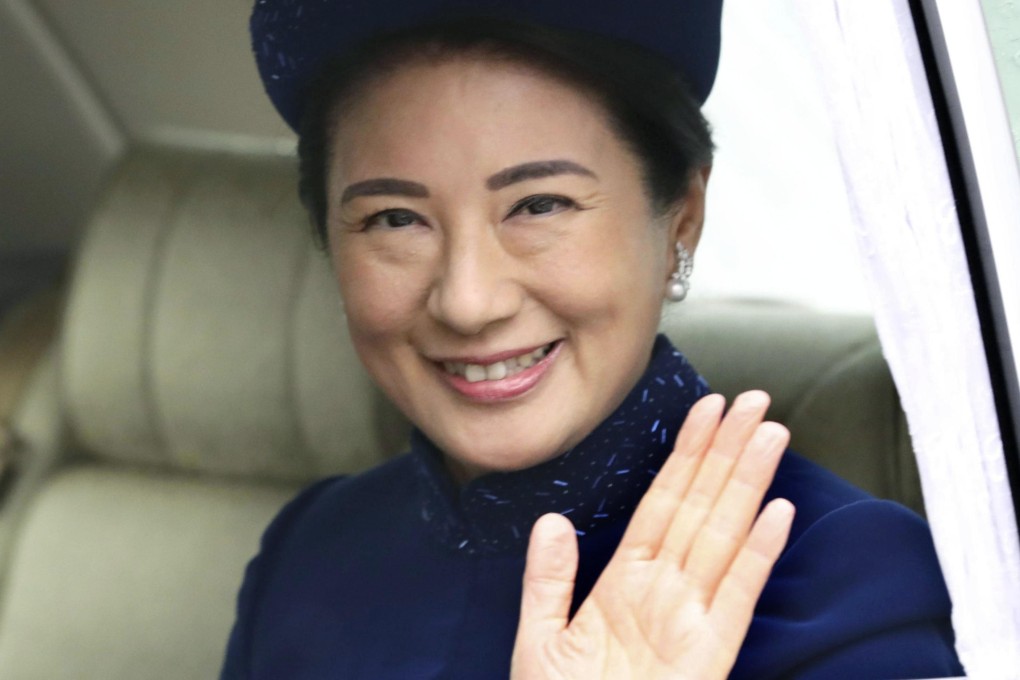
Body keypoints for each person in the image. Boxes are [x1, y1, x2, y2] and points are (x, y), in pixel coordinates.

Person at [222, 1, 964, 677]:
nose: (469, 301)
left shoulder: (844, 583)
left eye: (539, 205)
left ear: (682, 218)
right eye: (394, 219)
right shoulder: (310, 552)